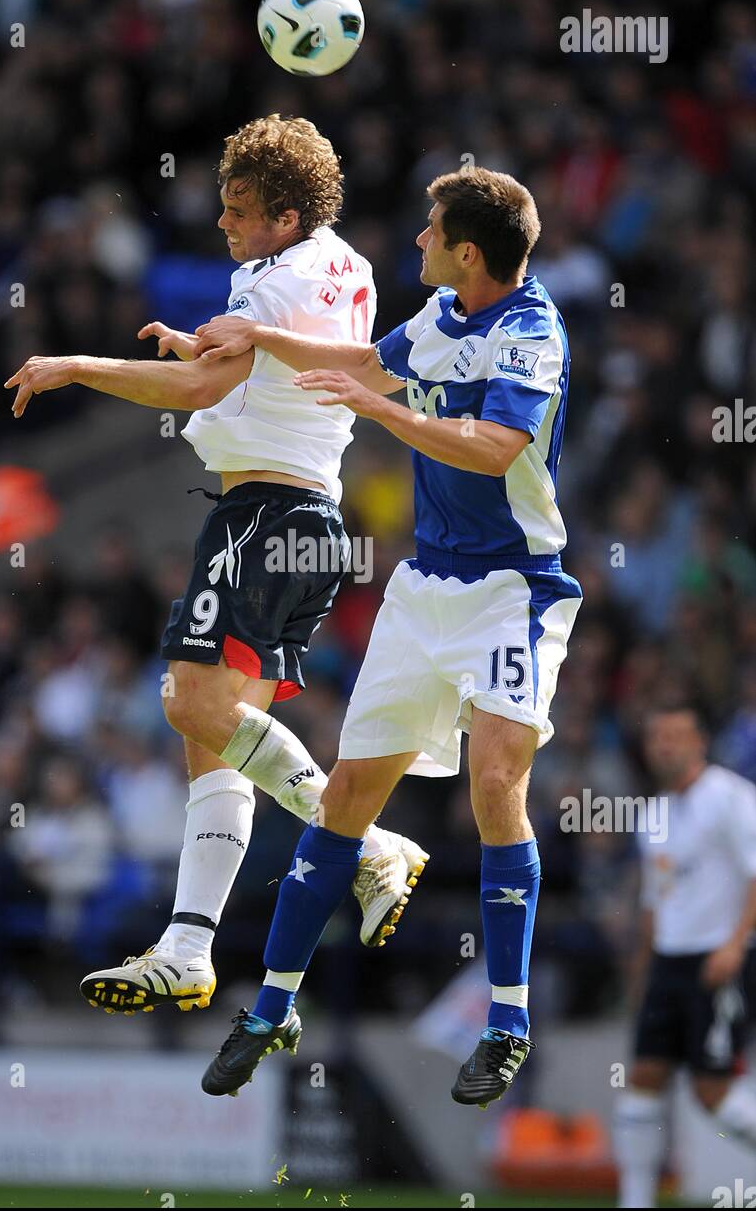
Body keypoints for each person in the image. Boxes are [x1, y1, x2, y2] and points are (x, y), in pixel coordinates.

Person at [5, 114, 428, 1017]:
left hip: (266, 514)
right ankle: (188, 946)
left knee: (187, 703)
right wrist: (210, 345)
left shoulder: (275, 279)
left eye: (239, 211)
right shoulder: (340, 263)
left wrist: (79, 365)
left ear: (284, 213)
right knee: (212, 742)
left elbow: (202, 390)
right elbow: (245, 369)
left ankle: (361, 843)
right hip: (301, 517)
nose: (225, 226)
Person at [190, 164, 582, 1106]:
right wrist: (258, 334)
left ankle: (505, 1023)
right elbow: (369, 360)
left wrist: (384, 414)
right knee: (348, 796)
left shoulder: (530, 332)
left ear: (469, 251)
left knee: (495, 782)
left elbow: (495, 447)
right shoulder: (441, 317)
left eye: (430, 231)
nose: (416, 243)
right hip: (422, 591)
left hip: (511, 592)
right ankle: (272, 1006)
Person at [615, 704, 756, 1208]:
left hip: (715, 961)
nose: (665, 746)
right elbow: (655, 901)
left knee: (712, 1094)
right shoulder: (652, 814)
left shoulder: (732, 798)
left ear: (700, 742)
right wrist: (641, 972)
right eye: (657, 737)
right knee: (643, 1081)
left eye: (676, 735)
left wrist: (736, 943)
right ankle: (635, 1205)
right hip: (667, 965)